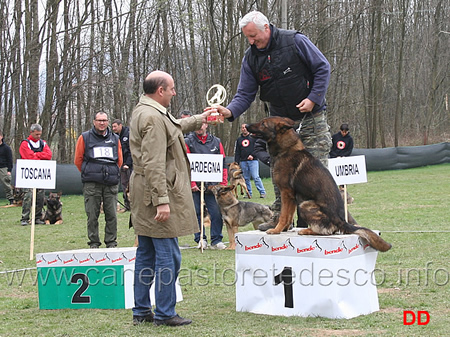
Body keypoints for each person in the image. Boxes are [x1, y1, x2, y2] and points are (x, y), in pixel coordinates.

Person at [205, 10, 332, 231]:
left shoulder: (294, 41)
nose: (252, 41)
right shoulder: (252, 57)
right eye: (248, 38)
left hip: (310, 118)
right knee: (280, 174)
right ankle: (280, 219)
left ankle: (320, 218)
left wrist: (313, 98)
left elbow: (322, 67)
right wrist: (229, 112)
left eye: (254, 36)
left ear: (266, 28)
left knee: (315, 173)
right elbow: (245, 93)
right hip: (279, 130)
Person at [129, 70, 212, 327]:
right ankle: (165, 313)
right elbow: (153, 163)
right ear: (160, 91)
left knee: (146, 253)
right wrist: (161, 200)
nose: (174, 93)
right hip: (156, 191)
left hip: (145, 189)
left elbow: (173, 126)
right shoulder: (152, 117)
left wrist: (201, 119)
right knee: (168, 255)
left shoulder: (146, 109)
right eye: (172, 89)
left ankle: (141, 310)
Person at [74, 112, 123, 248]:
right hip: (92, 183)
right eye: (99, 120)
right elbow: (78, 159)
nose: (102, 123)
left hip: (110, 182)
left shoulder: (115, 138)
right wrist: (90, 172)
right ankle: (94, 242)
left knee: (112, 215)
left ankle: (111, 242)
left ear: (108, 122)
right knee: (92, 215)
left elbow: (119, 159)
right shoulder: (84, 137)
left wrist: (111, 173)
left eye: (104, 120)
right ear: (94, 121)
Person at [185, 122, 228, 250]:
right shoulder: (188, 141)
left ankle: (216, 239)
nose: (199, 127)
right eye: (196, 124)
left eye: (202, 124)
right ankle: (200, 239)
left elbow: (223, 161)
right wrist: (192, 183)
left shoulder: (216, 141)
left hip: (213, 186)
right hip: (196, 186)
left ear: (206, 126)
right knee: (197, 213)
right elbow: (186, 164)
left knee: (216, 212)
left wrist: (223, 183)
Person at [19, 124, 53, 226]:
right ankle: (25, 218)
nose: (38, 136)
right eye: (36, 134)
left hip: (40, 174)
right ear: (31, 132)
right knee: (28, 196)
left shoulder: (43, 143)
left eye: (40, 134)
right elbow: (27, 156)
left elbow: (49, 155)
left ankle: (37, 217)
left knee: (40, 196)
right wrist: (40, 156)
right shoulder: (25, 143)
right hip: (28, 174)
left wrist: (36, 155)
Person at [234, 123, 266, 198]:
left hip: (253, 161)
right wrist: (236, 162)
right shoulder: (239, 140)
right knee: (246, 178)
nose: (244, 129)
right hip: (243, 161)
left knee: (256, 177)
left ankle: (262, 192)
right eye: (242, 128)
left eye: (245, 127)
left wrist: (253, 155)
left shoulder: (253, 138)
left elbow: (258, 148)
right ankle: (248, 193)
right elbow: (237, 151)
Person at [112, 119, 133, 212]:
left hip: (129, 165)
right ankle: (127, 205)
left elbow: (131, 150)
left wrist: (128, 164)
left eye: (115, 126)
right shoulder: (115, 136)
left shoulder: (128, 134)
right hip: (120, 164)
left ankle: (134, 205)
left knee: (131, 185)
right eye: (112, 127)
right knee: (124, 185)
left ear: (120, 125)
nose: (113, 128)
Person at [0, 130, 14, 205]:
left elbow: (10, 159)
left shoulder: (6, 148)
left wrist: (9, 170)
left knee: (7, 185)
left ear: (1, 137)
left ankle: (11, 200)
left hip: (4, 168)